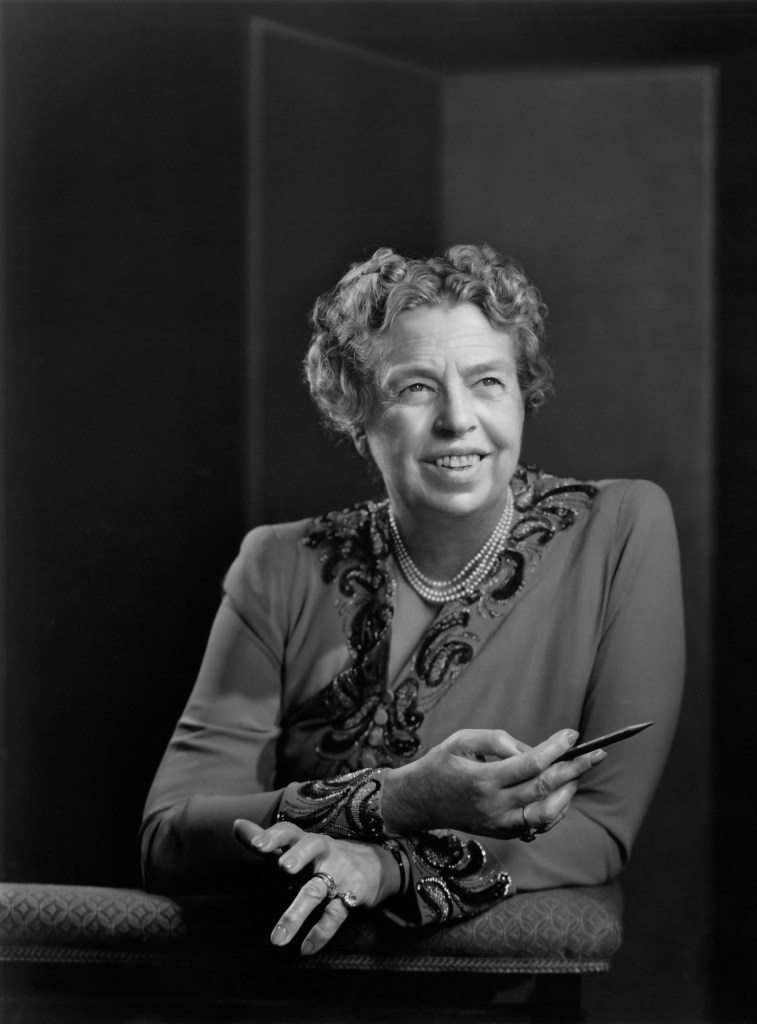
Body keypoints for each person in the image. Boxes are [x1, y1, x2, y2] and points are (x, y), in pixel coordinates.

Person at [141, 244, 684, 957]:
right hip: (274, 984)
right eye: (417, 388)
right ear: (357, 413)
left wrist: (390, 866)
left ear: (522, 396)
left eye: (488, 381)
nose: (458, 419)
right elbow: (171, 838)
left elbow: (602, 825)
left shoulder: (621, 529)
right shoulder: (278, 565)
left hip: (485, 988)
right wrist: (396, 800)